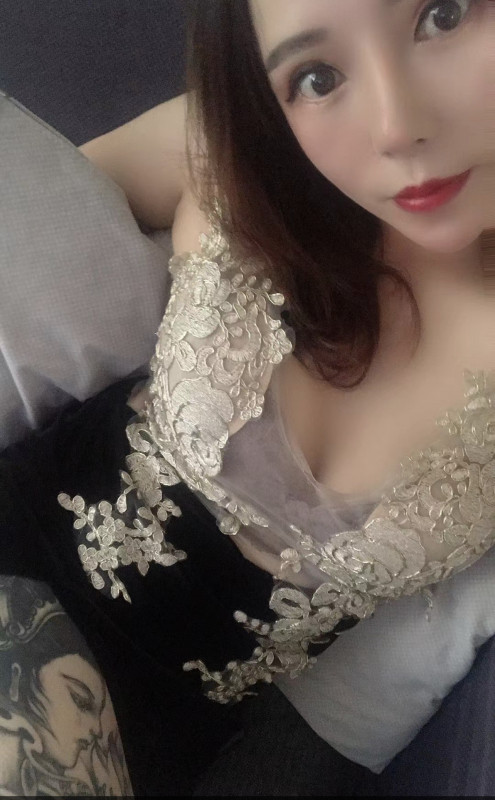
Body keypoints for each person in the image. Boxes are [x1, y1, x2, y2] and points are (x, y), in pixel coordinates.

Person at [1, 0, 495, 795]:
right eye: (317, 76)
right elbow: (32, 252)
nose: (396, 126)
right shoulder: (230, 152)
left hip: (157, 747)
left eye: (442, 14)